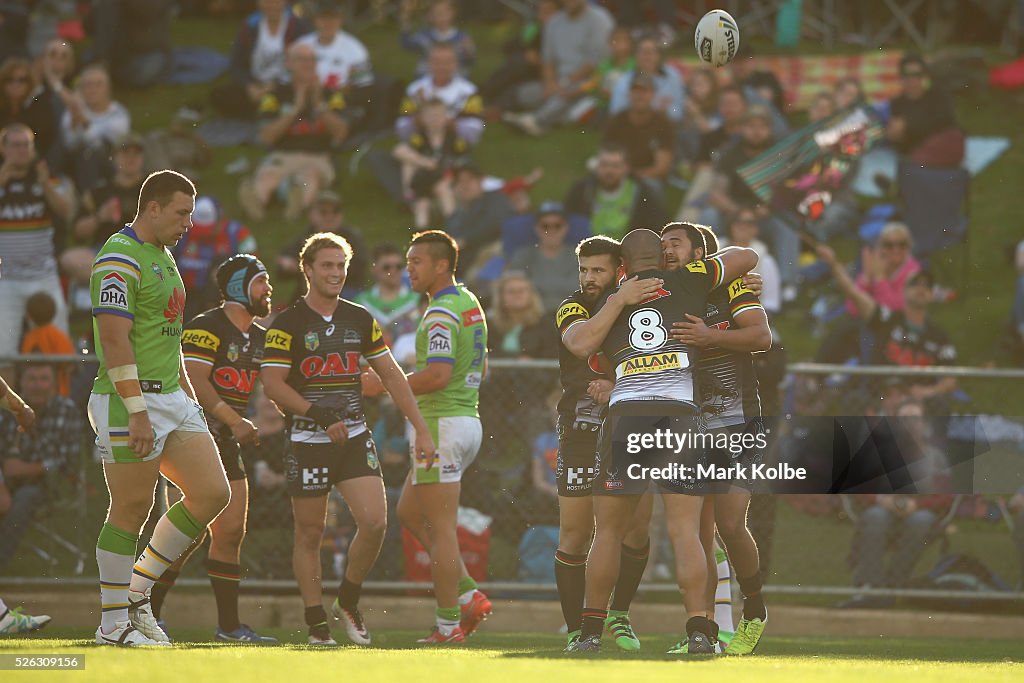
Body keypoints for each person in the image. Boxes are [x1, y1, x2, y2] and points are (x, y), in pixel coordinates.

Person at [561, 229, 757, 653]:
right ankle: (700, 633)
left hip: (626, 415)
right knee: (686, 531)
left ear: (622, 267)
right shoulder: (690, 279)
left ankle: (590, 633)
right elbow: (746, 255)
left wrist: (618, 298)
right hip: (680, 415)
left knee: (607, 532)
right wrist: (709, 272)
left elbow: (578, 345)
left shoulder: (606, 300)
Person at [260, 232, 436, 646]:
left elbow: (392, 374)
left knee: (375, 521)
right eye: (326, 265)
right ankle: (316, 622)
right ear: (307, 269)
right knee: (309, 533)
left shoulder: (359, 317)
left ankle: (348, 599)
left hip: (354, 436)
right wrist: (320, 416)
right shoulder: (287, 322)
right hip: (307, 440)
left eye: (341, 265)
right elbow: (272, 384)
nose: (335, 273)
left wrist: (422, 429)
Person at [89, 170, 231, 647]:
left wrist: (188, 398)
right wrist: (137, 411)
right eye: (181, 212)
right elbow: (113, 338)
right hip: (128, 400)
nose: (188, 222)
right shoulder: (118, 257)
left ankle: (136, 592)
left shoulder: (164, 256)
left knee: (213, 492)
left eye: (190, 213)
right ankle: (112, 626)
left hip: (171, 396)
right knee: (131, 509)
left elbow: (167, 339)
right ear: (151, 207)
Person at [369, 230, 492, 644]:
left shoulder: (440, 312)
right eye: (408, 261)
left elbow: (438, 375)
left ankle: (448, 626)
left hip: (442, 426)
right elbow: (478, 366)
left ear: (442, 265)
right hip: (465, 420)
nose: (409, 269)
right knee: (408, 512)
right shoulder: (469, 301)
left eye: (417, 261)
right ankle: (468, 592)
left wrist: (384, 383)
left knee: (441, 531)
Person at [147, 255, 276, 643]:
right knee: (191, 532)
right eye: (261, 281)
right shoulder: (207, 326)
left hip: (224, 438)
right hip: (190, 433)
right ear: (238, 286)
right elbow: (196, 381)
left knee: (231, 530)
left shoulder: (258, 336)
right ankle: (146, 610)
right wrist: (233, 419)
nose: (268, 289)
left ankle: (229, 627)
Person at [552, 235, 670, 652]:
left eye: (598, 270)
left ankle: (618, 614)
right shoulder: (573, 305)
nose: (588, 278)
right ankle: (575, 631)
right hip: (582, 427)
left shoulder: (649, 303)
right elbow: (581, 343)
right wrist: (617, 300)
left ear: (619, 268)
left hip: (631, 428)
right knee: (575, 531)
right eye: (583, 270)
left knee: (635, 531)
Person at [661, 222, 772, 655]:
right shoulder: (663, 295)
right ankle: (702, 632)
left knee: (729, 523)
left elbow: (761, 337)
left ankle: (756, 607)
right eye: (662, 242)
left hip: (739, 423)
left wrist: (710, 336)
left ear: (701, 254)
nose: (666, 248)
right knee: (698, 534)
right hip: (689, 427)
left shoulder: (731, 290)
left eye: (675, 242)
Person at [817, 245, 958, 405]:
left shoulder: (939, 337)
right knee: (854, 402)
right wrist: (833, 263)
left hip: (917, 403)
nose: (921, 288)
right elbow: (852, 292)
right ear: (904, 291)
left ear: (932, 295)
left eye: (927, 286)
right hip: (881, 398)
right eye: (915, 284)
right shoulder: (887, 319)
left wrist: (928, 392)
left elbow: (950, 380)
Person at [239, 43, 350, 221]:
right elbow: (266, 137)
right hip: (283, 155)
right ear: (289, 64)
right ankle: (256, 204)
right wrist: (294, 110)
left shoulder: (331, 95)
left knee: (310, 178)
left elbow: (341, 133)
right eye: (302, 60)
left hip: (318, 157)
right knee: (268, 177)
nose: (308, 64)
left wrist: (320, 105)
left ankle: (296, 205)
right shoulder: (275, 95)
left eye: (312, 59)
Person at [0, 123, 73, 384]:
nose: (21, 151)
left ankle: (60, 408)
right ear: (3, 148)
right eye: (15, 145)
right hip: (6, 279)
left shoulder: (46, 178)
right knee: (3, 353)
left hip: (43, 277)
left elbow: (67, 212)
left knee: (57, 350)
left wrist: (45, 185)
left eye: (26, 145)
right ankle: (8, 415)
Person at [0, 363, 82, 572]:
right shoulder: (10, 410)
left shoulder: (66, 410)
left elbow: (67, 463)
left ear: (54, 383)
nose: (37, 385)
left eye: (43, 379)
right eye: (32, 379)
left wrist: (23, 469)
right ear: (21, 383)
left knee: (25, 497)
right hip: (10, 483)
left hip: (53, 484)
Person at [502, 0, 613, 136]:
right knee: (525, 94)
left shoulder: (600, 20)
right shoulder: (554, 22)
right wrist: (550, 83)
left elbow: (594, 63)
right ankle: (555, 118)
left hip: (589, 81)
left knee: (565, 94)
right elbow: (548, 60)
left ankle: (537, 120)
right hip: (558, 81)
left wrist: (565, 83)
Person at [173, 196, 259, 321]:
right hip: (184, 297)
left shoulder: (238, 234)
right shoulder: (180, 231)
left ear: (220, 221)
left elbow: (253, 268)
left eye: (207, 229)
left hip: (221, 301)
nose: (203, 234)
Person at [220, 0, 311, 118]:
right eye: (267, 2)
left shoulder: (298, 26)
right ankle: (272, 113)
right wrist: (250, 87)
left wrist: (273, 88)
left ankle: (266, 113)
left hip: (285, 86)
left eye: (276, 2)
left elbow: (308, 64)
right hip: (256, 85)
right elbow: (236, 65)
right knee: (221, 95)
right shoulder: (250, 26)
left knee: (300, 99)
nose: (272, 5)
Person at [392, 98, 470, 228]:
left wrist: (449, 177)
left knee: (442, 188)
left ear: (446, 118)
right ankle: (420, 230)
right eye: (430, 116)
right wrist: (425, 162)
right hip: (424, 180)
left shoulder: (454, 139)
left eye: (439, 116)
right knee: (409, 163)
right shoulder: (419, 138)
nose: (435, 120)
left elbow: (461, 161)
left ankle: (453, 226)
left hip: (447, 179)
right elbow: (398, 150)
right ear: (422, 119)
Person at [564, 144, 667, 240]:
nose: (609, 171)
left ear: (626, 168)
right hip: (589, 249)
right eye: (604, 165)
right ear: (597, 166)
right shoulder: (582, 190)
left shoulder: (643, 193)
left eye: (615, 166)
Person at [276, 190, 369, 298]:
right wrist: (287, 266)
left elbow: (358, 269)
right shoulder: (304, 238)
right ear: (311, 214)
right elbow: (282, 269)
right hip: (311, 295)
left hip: (345, 291)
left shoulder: (352, 238)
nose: (329, 216)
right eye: (323, 212)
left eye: (335, 211)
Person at [59, 65, 130, 192]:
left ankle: (89, 200)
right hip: (74, 162)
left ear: (108, 89)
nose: (93, 89)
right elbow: (68, 144)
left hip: (108, 164)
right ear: (80, 90)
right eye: (88, 85)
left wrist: (83, 121)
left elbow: (104, 145)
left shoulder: (119, 113)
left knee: (91, 154)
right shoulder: (72, 112)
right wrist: (74, 122)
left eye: (98, 85)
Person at [398, 44, 484, 146]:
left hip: (453, 140)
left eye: (447, 62)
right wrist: (419, 119)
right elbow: (403, 119)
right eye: (437, 62)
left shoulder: (469, 91)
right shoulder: (414, 89)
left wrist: (446, 123)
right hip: (422, 138)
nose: (442, 66)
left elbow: (477, 125)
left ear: (456, 64)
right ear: (428, 63)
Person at [887, 55, 964, 168]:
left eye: (916, 75)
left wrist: (908, 125)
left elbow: (946, 122)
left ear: (923, 77)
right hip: (919, 148)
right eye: (907, 75)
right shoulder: (897, 103)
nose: (912, 80)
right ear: (901, 78)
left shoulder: (937, 96)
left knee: (952, 137)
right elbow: (899, 137)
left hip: (939, 143)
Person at [505, 202, 580, 313]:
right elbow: (514, 288)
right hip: (533, 315)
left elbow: (580, 289)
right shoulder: (523, 256)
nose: (551, 230)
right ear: (536, 228)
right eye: (545, 226)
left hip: (572, 315)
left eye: (557, 225)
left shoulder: (578, 256)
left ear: (566, 228)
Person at [603, 73, 676, 187]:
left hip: (647, 178)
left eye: (644, 92)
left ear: (653, 95)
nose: (639, 96)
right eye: (636, 91)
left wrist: (633, 176)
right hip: (618, 174)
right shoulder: (617, 120)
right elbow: (606, 154)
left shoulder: (664, 124)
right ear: (629, 94)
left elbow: (661, 168)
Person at [444, 165, 515, 275]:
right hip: (464, 268)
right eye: (459, 181)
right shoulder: (456, 216)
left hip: (494, 260)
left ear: (481, 181)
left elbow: (497, 223)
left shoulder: (495, 199)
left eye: (470, 179)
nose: (465, 185)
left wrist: (466, 240)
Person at [87, 0, 175, 88]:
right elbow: (88, 26)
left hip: (147, 53)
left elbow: (147, 12)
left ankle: (104, 73)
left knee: (147, 70)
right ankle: (102, 69)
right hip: (116, 52)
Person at [297, 1, 374, 92]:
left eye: (333, 18)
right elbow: (288, 78)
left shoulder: (355, 49)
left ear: (341, 20)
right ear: (315, 20)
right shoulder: (301, 45)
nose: (328, 23)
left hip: (340, 99)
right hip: (306, 96)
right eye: (323, 18)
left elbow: (364, 85)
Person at [354, 243, 421, 346]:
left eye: (398, 266)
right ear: (374, 268)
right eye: (387, 267)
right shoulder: (361, 303)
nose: (393, 271)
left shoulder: (417, 301)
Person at [609, 35, 685, 123]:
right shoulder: (625, 81)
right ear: (636, 55)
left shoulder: (672, 77)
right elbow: (616, 111)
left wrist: (666, 111)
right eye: (643, 52)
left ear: (659, 55)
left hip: (665, 126)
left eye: (651, 52)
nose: (647, 56)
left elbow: (678, 112)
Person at [0, 57, 58, 166]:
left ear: (29, 83)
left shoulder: (39, 109)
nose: (16, 84)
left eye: (22, 80)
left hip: (32, 164)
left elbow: (44, 140)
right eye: (9, 79)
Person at [19, 293, 76, 397]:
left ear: (29, 315)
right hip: (58, 393)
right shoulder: (58, 336)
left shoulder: (28, 337)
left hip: (34, 392)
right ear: (54, 312)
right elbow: (69, 365)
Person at [400, 0, 476, 77]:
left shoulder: (462, 37)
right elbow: (407, 44)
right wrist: (406, 18)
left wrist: (468, 51)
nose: (441, 16)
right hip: (428, 78)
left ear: (453, 13)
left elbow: (470, 61)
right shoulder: (424, 36)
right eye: (436, 13)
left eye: (444, 12)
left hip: (453, 79)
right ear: (429, 16)